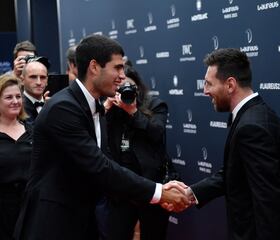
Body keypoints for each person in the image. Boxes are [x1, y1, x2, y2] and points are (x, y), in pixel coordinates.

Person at [13, 34, 189, 240]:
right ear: (94, 67)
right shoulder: (64, 108)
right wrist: (158, 193)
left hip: (82, 220)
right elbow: (99, 166)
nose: (123, 76)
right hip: (53, 224)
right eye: (117, 68)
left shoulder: (93, 107)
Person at [183, 48, 280, 240]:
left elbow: (268, 201)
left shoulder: (252, 127)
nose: (205, 90)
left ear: (230, 84)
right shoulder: (254, 115)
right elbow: (235, 173)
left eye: (209, 84)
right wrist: (192, 193)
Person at [102, 63, 174, 240]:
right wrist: (105, 111)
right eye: (120, 88)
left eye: (130, 87)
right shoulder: (111, 108)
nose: (125, 91)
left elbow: (156, 133)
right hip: (121, 186)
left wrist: (133, 111)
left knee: (154, 234)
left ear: (138, 88)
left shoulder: (156, 105)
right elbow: (98, 138)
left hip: (151, 184)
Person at [0, 74, 32, 239]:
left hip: (31, 208)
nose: (15, 101)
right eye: (8, 97)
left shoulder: (32, 130)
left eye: (18, 96)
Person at [20, 56, 51, 123]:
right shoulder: (17, 106)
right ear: (22, 80)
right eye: (33, 77)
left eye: (43, 77)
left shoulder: (54, 105)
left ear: (47, 81)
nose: (38, 82)